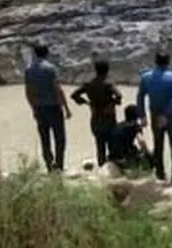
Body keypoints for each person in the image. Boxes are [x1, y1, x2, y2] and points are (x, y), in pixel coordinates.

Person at [24, 43, 72, 172]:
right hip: (53, 107)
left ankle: (49, 165)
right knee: (59, 137)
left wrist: (33, 108)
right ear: (47, 53)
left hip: (39, 108)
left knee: (44, 138)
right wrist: (66, 108)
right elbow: (58, 89)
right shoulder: (50, 68)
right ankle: (60, 164)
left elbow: (28, 92)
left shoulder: (29, 70)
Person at [136, 52, 172, 183]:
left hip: (155, 115)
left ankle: (160, 174)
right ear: (168, 62)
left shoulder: (146, 78)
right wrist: (166, 115)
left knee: (158, 145)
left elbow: (140, 97)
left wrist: (142, 115)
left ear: (155, 62)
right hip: (171, 115)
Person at [71, 59, 123, 167]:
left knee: (100, 146)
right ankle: (112, 171)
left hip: (95, 118)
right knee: (112, 145)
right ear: (107, 71)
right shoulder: (108, 83)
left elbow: (74, 95)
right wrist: (112, 104)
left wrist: (87, 103)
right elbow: (119, 95)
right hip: (108, 118)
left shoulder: (88, 84)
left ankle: (101, 168)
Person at [107, 105, 153, 169]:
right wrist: (148, 153)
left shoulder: (118, 125)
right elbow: (141, 141)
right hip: (124, 158)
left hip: (112, 157)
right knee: (150, 156)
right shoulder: (135, 126)